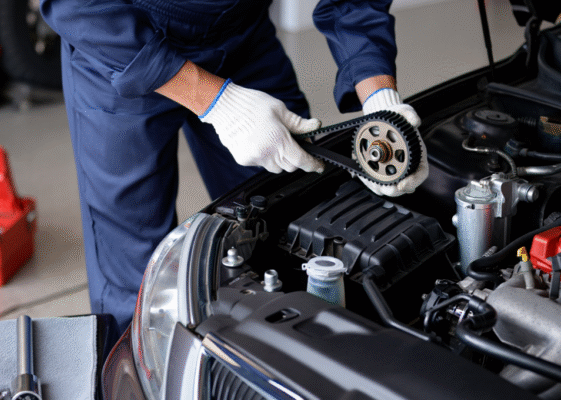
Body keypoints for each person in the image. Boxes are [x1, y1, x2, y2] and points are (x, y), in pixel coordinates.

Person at [40, 0, 429, 334]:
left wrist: (380, 98)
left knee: (289, 221)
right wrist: (216, 101)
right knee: (135, 277)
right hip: (120, 44)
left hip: (242, 37)